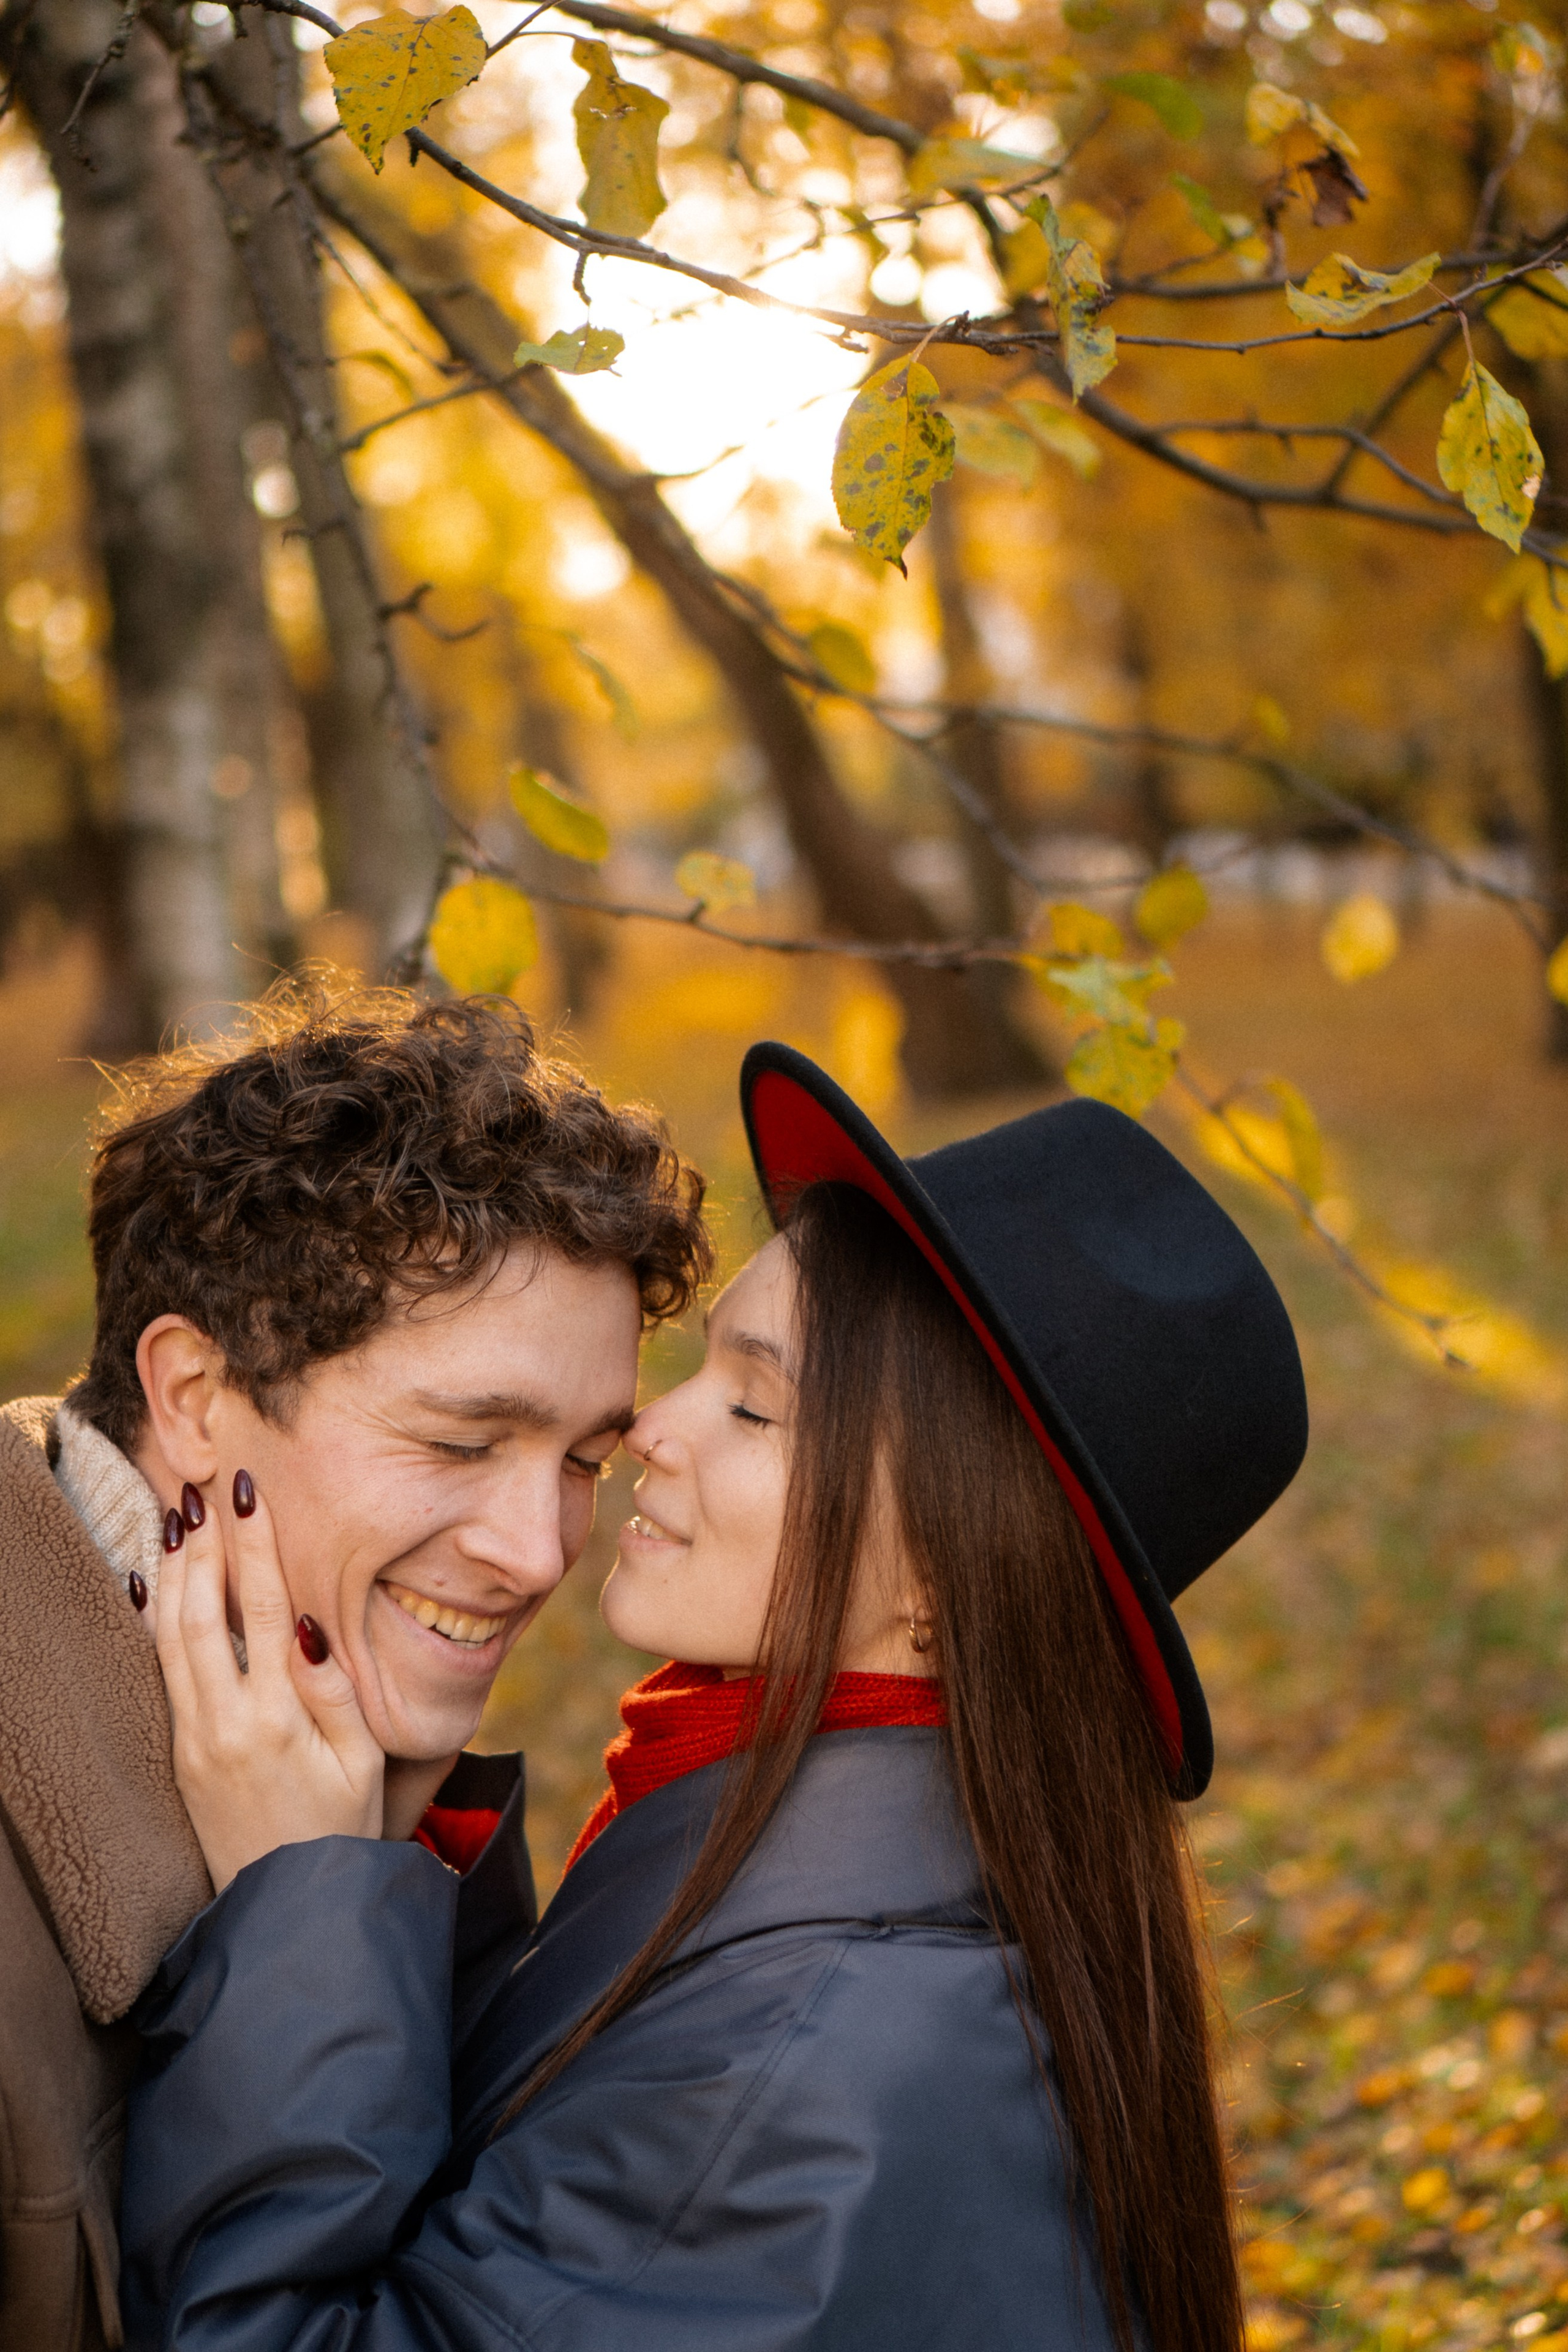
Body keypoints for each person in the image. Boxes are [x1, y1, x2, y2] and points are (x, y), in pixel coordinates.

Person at [121, 1041, 1310, 2352]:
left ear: (948, 1581)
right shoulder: (806, 1854)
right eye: (705, 1367)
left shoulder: (813, 2059)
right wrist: (397, 1835)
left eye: (754, 1407)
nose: (649, 1430)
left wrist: (303, 1903)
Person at [0, 976, 709, 2352]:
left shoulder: (365, 1784)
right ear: (195, 1397)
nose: (540, 1551)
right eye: (457, 1442)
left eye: (580, 1460)